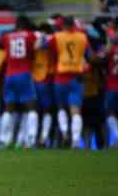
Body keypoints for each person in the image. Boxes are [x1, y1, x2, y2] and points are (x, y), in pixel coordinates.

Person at [49, 16, 92, 149]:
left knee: (61, 107)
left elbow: (43, 47)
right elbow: (90, 55)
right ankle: (75, 141)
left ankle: (65, 133)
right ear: (73, 25)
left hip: (60, 76)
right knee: (76, 111)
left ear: (62, 25)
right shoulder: (82, 37)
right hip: (76, 77)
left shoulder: (57, 36)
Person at [0, 15, 40, 148]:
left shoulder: (7, 37)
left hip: (9, 75)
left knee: (9, 108)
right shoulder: (30, 35)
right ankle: (31, 139)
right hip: (24, 73)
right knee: (31, 107)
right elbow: (37, 48)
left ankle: (5, 140)